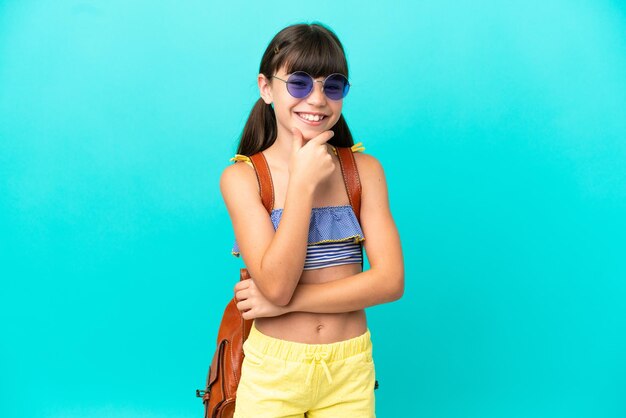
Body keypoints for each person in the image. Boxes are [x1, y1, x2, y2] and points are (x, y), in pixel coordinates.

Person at [219, 22, 404, 418]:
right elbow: (275, 284)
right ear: (266, 88)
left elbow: (390, 282)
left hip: (349, 368)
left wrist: (283, 306)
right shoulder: (243, 178)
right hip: (273, 372)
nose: (317, 99)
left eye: (332, 86)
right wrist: (302, 185)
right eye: (300, 83)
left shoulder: (364, 170)